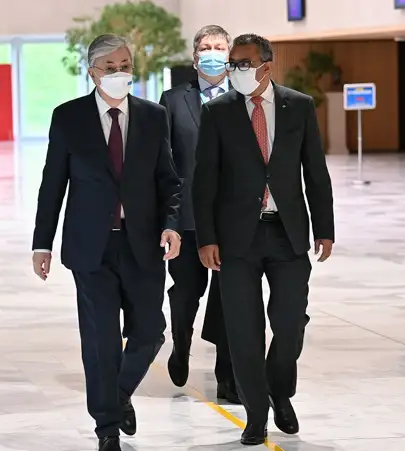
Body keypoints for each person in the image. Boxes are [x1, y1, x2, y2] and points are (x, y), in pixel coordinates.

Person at [31, 34, 182, 451]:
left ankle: (116, 395)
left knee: (150, 332)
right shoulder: (69, 117)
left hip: (143, 244)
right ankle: (107, 428)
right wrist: (42, 243)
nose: (120, 73)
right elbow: (52, 184)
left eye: (125, 66)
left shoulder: (153, 116)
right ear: (93, 72)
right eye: (111, 67)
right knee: (101, 342)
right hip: (90, 248)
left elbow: (169, 181)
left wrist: (172, 225)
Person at [192, 33, 334, 445]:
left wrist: (324, 228)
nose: (235, 70)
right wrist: (206, 238)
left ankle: (279, 391)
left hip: (287, 233)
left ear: (266, 66)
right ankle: (256, 413)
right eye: (232, 63)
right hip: (236, 239)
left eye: (243, 63)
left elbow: (316, 172)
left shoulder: (299, 106)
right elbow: (204, 181)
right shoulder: (217, 111)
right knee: (243, 330)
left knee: (290, 323)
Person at [158, 24, 239, 404]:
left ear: (230, 56)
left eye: (219, 47)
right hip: (187, 219)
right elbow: (165, 164)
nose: (212, 53)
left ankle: (227, 376)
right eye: (206, 47)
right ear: (194, 58)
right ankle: (181, 343)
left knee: (229, 298)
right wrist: (168, 221)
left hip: (231, 221)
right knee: (187, 291)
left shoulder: (244, 98)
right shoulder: (173, 100)